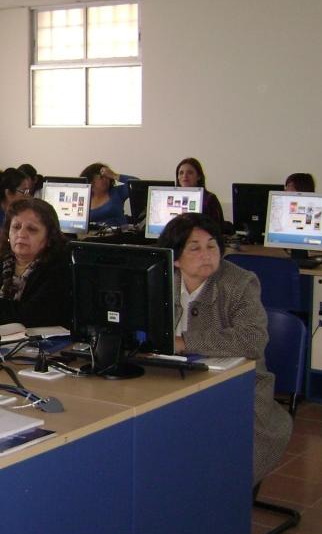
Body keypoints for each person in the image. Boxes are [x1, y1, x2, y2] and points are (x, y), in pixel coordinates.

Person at [156, 213, 291, 486]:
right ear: (176, 258)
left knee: (211, 454)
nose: (206, 254)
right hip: (171, 382)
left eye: (212, 245)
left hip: (239, 391)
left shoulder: (238, 282)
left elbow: (252, 339)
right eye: (195, 247)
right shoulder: (162, 279)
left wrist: (185, 341)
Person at [0, 199, 72, 329]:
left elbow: (32, 316)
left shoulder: (59, 266)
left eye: (32, 229)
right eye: (16, 227)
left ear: (49, 238)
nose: (21, 234)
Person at [0, 168, 32, 245]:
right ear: (8, 193)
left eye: (28, 191)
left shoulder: (20, 214)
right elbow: (2, 242)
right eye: (24, 191)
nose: (28, 196)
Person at [81, 162, 137, 227]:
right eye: (102, 177)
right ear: (91, 181)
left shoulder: (117, 192)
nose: (106, 179)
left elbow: (136, 184)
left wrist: (114, 175)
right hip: (91, 235)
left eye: (107, 177)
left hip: (117, 234)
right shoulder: (83, 196)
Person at [175, 158, 225, 229]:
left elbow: (216, 228)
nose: (184, 176)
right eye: (181, 173)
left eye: (190, 172)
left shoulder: (209, 199)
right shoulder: (174, 197)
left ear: (199, 176)